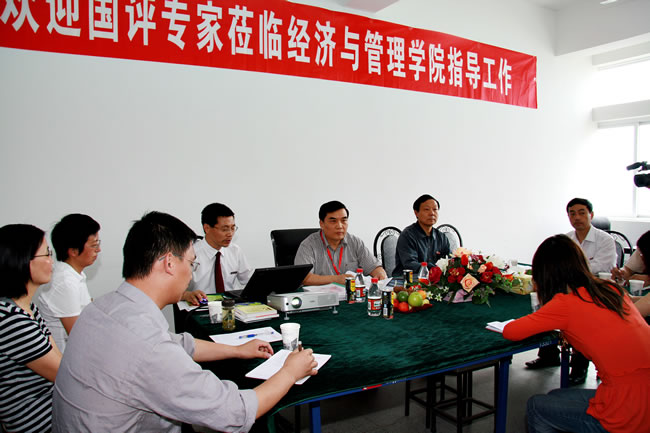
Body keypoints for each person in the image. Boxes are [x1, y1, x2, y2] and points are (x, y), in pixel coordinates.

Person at [52, 211, 317, 432]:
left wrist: (236, 350)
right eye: (191, 263)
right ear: (169, 263)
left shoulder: (103, 307)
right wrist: (290, 372)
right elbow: (233, 412)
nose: (191, 274)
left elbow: (177, 343)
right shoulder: (148, 345)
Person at [503, 234, 650, 433]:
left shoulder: (564, 304)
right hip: (640, 393)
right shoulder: (610, 289)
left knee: (536, 406)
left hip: (629, 411)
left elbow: (511, 331)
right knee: (556, 396)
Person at [526, 198, 617, 386]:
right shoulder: (566, 240)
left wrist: (569, 269)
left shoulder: (605, 240)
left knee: (580, 320)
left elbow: (602, 266)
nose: (577, 217)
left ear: (591, 215)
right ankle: (549, 355)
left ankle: (579, 366)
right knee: (547, 303)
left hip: (594, 289)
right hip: (568, 287)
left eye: (582, 213)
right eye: (572, 213)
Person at [0, 224, 61, 433]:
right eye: (47, 254)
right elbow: (63, 374)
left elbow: (56, 357)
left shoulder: (28, 307)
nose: (52, 261)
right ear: (22, 260)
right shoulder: (10, 319)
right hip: (38, 423)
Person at [36, 214, 101, 352]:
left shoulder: (73, 275)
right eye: (94, 245)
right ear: (73, 251)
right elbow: (80, 336)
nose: (98, 250)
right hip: (64, 359)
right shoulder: (64, 281)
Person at [295, 201, 387, 285]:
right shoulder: (308, 245)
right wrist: (336, 279)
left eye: (344, 220)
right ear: (321, 223)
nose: (339, 226)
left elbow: (374, 267)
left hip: (351, 295)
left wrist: (380, 274)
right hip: (321, 296)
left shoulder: (355, 242)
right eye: (333, 221)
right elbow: (304, 278)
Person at [182, 203, 254, 306]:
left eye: (233, 228)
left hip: (230, 306)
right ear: (207, 228)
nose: (230, 234)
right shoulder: (189, 254)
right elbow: (172, 289)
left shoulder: (235, 251)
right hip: (199, 307)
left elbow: (249, 280)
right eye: (224, 229)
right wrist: (186, 295)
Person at [393, 194, 451, 277]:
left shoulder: (442, 237)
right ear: (416, 213)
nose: (432, 213)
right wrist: (435, 269)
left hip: (434, 281)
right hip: (408, 280)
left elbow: (448, 261)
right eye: (427, 209)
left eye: (435, 209)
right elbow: (410, 264)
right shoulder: (407, 235)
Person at [613, 230, 650, 317]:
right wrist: (630, 298)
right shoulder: (644, 245)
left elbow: (630, 315)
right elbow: (628, 269)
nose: (641, 256)